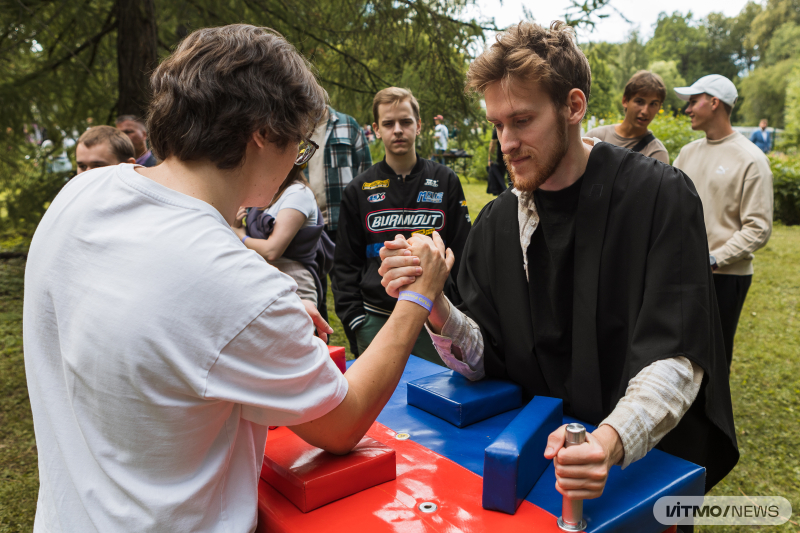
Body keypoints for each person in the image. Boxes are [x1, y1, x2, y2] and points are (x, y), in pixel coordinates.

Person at [23, 25, 452, 533]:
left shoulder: (81, 194)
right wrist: (418, 299)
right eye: (298, 147)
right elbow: (343, 422)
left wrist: (262, 338)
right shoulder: (237, 286)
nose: (297, 161)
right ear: (264, 135)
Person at [380, 21, 738, 500]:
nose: (505, 142)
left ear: (573, 106)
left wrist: (610, 441)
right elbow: (486, 357)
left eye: (522, 121)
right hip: (528, 463)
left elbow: (677, 357)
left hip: (637, 468)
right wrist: (437, 302)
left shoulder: (658, 198)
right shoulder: (496, 224)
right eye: (498, 124)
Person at [333, 87, 471, 365]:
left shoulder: (446, 181)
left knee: (439, 401)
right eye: (388, 123)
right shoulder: (358, 190)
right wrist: (356, 320)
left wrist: (461, 309)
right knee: (381, 407)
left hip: (435, 317)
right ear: (376, 129)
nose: (397, 130)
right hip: (376, 320)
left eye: (405, 122)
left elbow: (466, 254)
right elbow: (344, 264)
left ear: (418, 126)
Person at [673, 75, 773, 369]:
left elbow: (758, 227)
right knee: (680, 352)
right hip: (685, 271)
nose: (687, 109)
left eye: (693, 101)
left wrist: (714, 259)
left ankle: (713, 415)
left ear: (714, 102)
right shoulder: (687, 153)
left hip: (726, 277)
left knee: (714, 357)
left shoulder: (751, 159)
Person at [302, 105, 372, 343]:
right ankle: (320, 353)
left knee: (350, 289)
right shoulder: (296, 125)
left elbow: (365, 174)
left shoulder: (348, 125)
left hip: (344, 222)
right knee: (313, 293)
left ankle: (359, 344)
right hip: (306, 225)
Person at [231, 165, 333, 308]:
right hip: (263, 281)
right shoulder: (270, 192)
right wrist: (237, 225)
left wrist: (240, 235)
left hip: (293, 283)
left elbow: (272, 250)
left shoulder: (298, 193)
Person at [586, 70, 669, 163]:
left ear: (659, 107)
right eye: (639, 102)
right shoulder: (596, 137)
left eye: (653, 104)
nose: (645, 111)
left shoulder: (656, 153)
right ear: (625, 101)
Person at [486, 126, 508, 195]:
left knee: (511, 181)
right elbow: (492, 144)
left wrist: (489, 159)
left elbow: (492, 145)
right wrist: (490, 159)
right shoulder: (497, 129)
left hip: (507, 157)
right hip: (502, 158)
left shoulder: (497, 128)